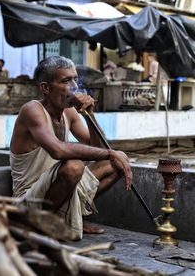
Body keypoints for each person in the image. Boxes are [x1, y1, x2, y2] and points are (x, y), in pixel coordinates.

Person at [10, 56, 132, 240]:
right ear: (45, 88)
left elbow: (99, 151)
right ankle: (41, 224)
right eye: (66, 81)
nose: (74, 86)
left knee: (119, 161)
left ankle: (71, 216)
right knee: (74, 166)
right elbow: (58, 150)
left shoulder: (69, 112)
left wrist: (89, 115)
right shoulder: (32, 110)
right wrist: (109, 152)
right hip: (30, 199)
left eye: (75, 79)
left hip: (60, 189)